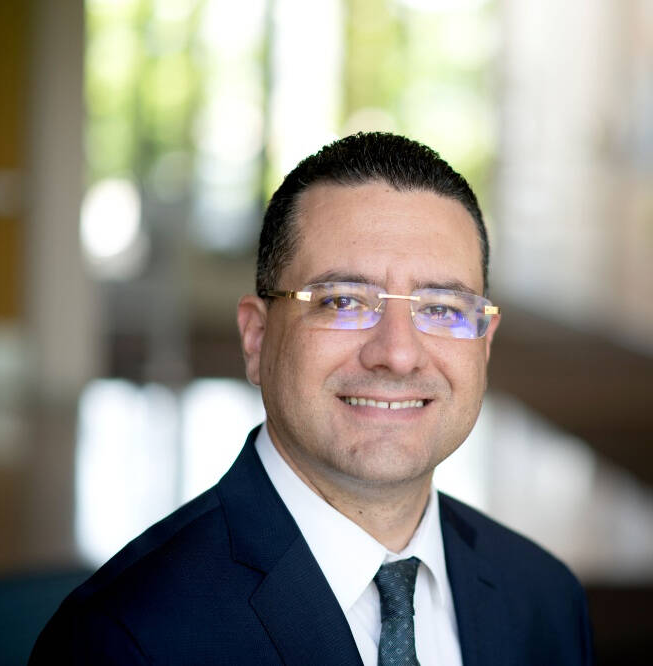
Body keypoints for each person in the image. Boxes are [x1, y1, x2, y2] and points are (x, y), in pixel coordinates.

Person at [31, 133, 594, 665]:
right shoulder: (124, 640)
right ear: (256, 337)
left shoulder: (544, 600)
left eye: (442, 308)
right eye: (344, 301)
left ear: (484, 346)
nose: (397, 354)